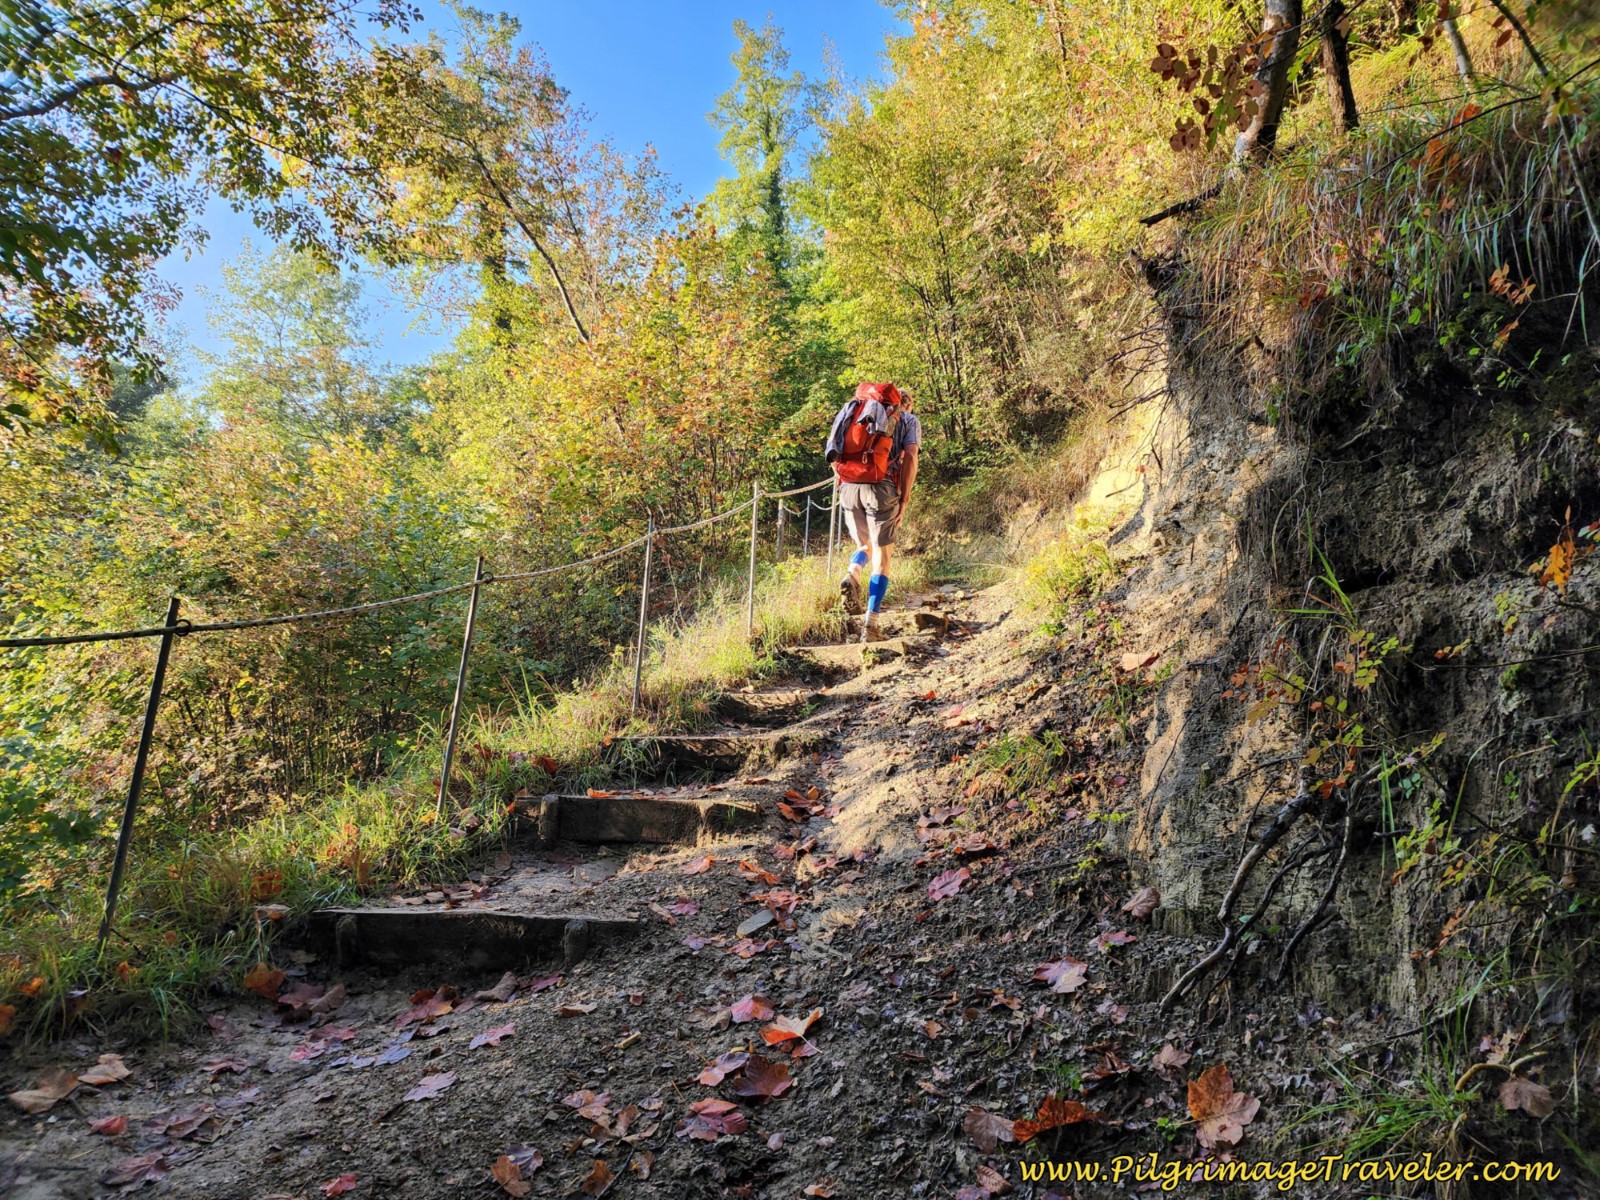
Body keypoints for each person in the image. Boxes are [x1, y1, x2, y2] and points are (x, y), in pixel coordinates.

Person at [824, 382, 921, 642]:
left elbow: (833, 452)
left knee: (864, 546)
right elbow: (911, 457)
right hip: (881, 488)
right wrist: (905, 499)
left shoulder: (855, 412)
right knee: (882, 555)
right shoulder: (908, 420)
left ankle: (852, 574)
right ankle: (871, 625)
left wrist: (845, 480)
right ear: (907, 405)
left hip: (849, 487)